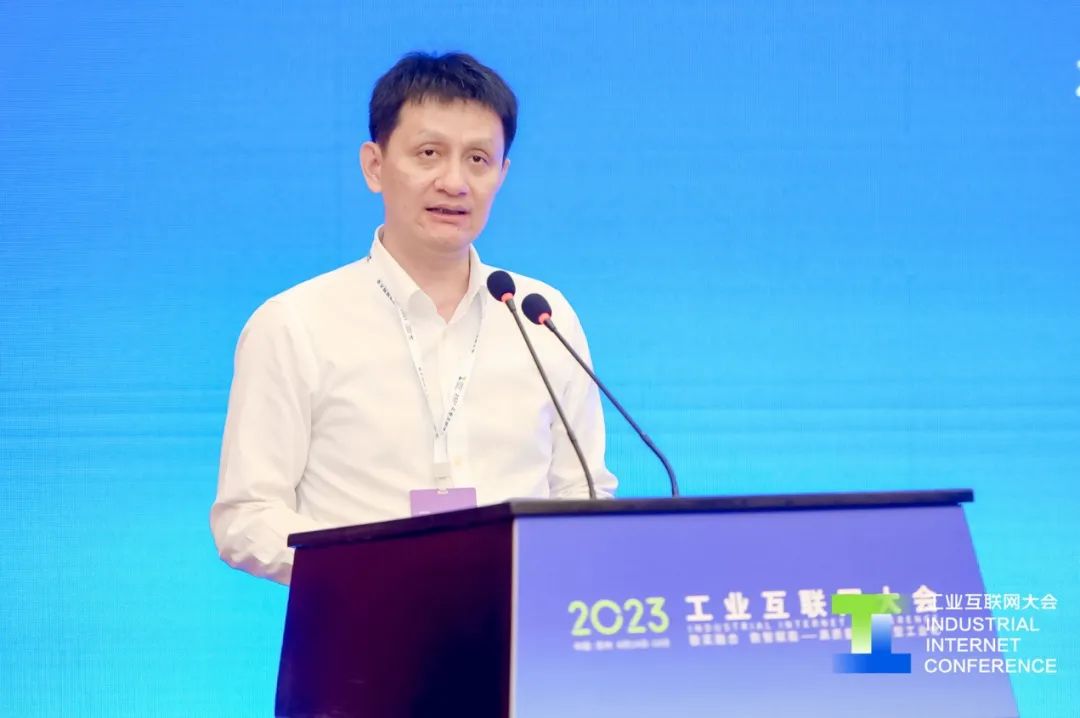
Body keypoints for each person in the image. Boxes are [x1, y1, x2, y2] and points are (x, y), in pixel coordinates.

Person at [210, 52, 616, 585]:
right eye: (429, 153)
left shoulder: (540, 314)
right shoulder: (295, 324)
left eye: (478, 159)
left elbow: (582, 490)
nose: (455, 182)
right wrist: (378, 572)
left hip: (519, 625)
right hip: (362, 621)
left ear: (502, 173)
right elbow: (247, 517)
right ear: (374, 166)